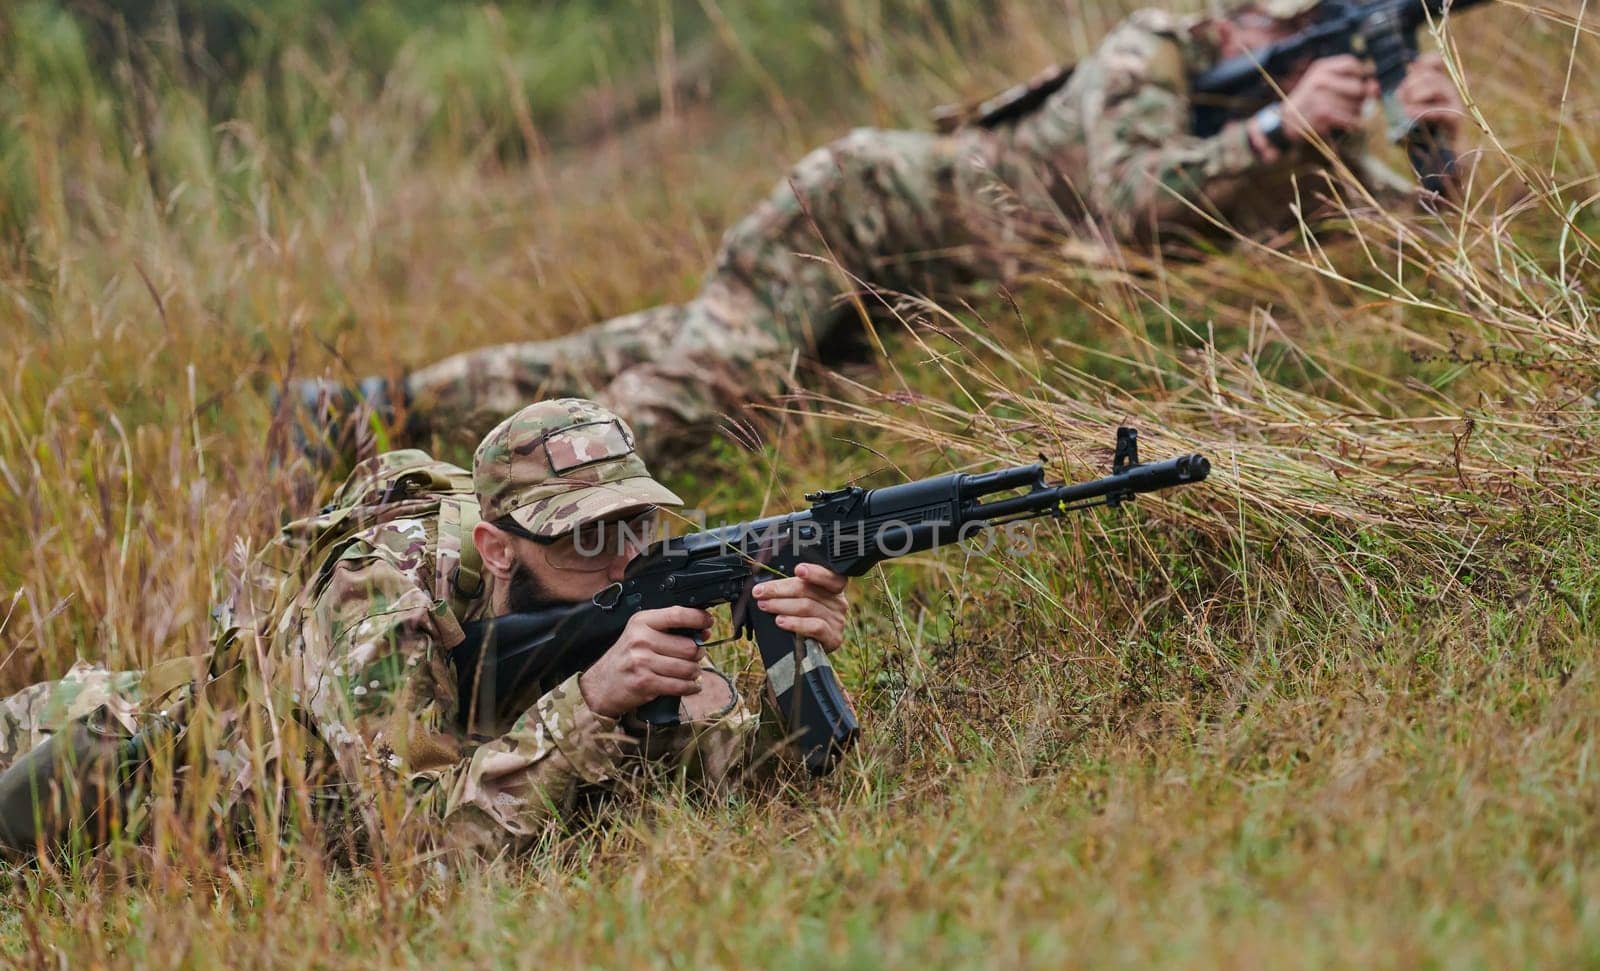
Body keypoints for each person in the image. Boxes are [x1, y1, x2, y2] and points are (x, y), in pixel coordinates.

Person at [290, 0, 1465, 461]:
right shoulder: (1153, 52)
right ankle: (502, 519)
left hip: (934, 294)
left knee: (669, 346)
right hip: (870, 207)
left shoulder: (1314, 117)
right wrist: (1269, 132)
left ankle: (381, 409)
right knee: (723, 388)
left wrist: (1430, 146)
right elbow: (1130, 201)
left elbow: (1396, 256)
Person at [0, 398, 852, 859]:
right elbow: (416, 843)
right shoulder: (381, 598)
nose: (622, 557)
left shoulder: (609, 604)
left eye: (635, 525)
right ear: (497, 546)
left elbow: (733, 768)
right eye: (583, 535)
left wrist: (795, 654)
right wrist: (591, 703)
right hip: (99, 760)